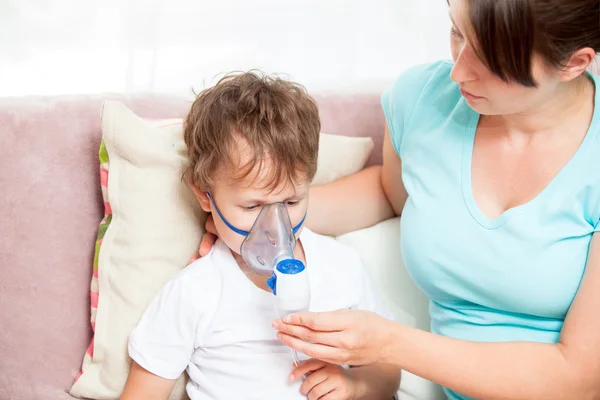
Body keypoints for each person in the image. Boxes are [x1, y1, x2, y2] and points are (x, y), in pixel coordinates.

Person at [198, 1, 600, 399]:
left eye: (492, 60)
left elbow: (580, 379)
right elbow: (392, 194)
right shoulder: (426, 101)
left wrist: (390, 344)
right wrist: (255, 221)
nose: (458, 70)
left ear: (574, 63)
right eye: (457, 32)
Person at [120, 71, 401, 400]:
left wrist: (358, 386)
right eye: (253, 206)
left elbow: (387, 365)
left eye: (291, 201)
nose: (274, 227)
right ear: (205, 197)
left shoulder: (343, 268)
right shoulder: (195, 293)